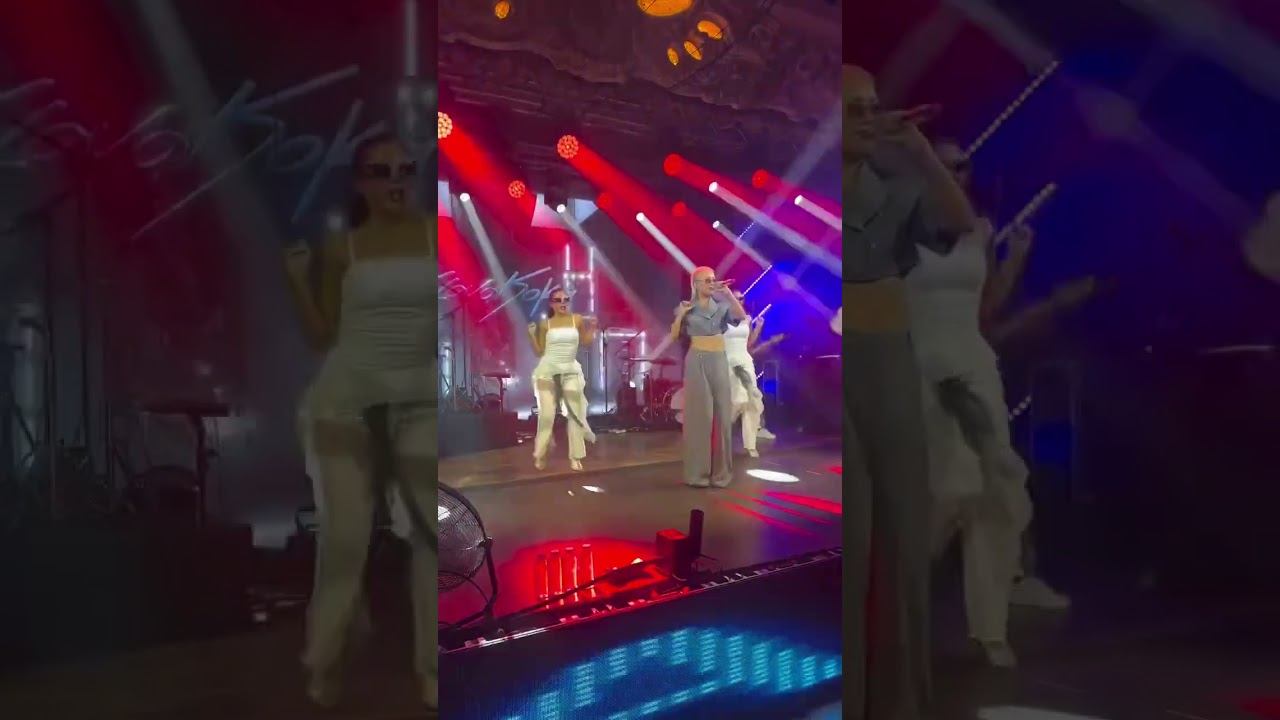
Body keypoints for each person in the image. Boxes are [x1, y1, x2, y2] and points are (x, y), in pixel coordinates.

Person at [283, 132, 437, 710]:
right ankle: (322, 662)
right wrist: (297, 281)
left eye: (405, 169)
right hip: (345, 403)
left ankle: (432, 669)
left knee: (429, 537)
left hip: (417, 402)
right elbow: (322, 335)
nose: (395, 180)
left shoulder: (434, 235)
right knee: (346, 542)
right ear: (362, 182)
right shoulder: (342, 247)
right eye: (381, 171)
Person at [842, 64, 977, 720]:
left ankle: (898, 705)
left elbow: (959, 221)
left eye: (873, 107)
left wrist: (919, 152)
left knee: (902, 540)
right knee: (852, 544)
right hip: (834, 374)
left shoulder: (894, 192)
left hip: (889, 365)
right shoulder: (805, 199)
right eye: (853, 110)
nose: (868, 119)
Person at [907, 140, 1036, 668]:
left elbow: (987, 310)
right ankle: (898, 604)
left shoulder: (978, 230)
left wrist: (1016, 260)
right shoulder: (897, 229)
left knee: (993, 488)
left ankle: (990, 629)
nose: (956, 174)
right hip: (919, 365)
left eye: (962, 166)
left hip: (974, 361)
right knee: (943, 491)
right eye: (945, 165)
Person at [671, 266, 747, 487]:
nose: (712, 283)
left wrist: (728, 294)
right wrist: (681, 315)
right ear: (696, 284)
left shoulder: (721, 306)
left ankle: (722, 475)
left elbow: (741, 316)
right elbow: (674, 335)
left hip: (719, 359)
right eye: (707, 280)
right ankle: (697, 475)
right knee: (699, 417)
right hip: (697, 359)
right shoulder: (687, 307)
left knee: (723, 415)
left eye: (713, 279)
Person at [527, 289, 597, 471]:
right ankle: (540, 453)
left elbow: (586, 341)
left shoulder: (577, 319)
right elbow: (539, 352)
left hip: (570, 371)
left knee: (575, 414)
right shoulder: (545, 324)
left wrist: (593, 327)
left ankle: (576, 457)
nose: (563, 302)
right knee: (547, 415)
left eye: (566, 299)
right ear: (552, 304)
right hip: (547, 372)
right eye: (558, 300)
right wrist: (531, 335)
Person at [722, 291, 767, 457]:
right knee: (735, 401)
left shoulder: (746, 318)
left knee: (751, 401)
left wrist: (759, 327)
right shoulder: (720, 317)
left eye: (741, 298)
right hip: (728, 360)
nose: (739, 300)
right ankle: (722, 435)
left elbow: (749, 343)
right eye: (736, 297)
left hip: (745, 360)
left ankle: (750, 444)